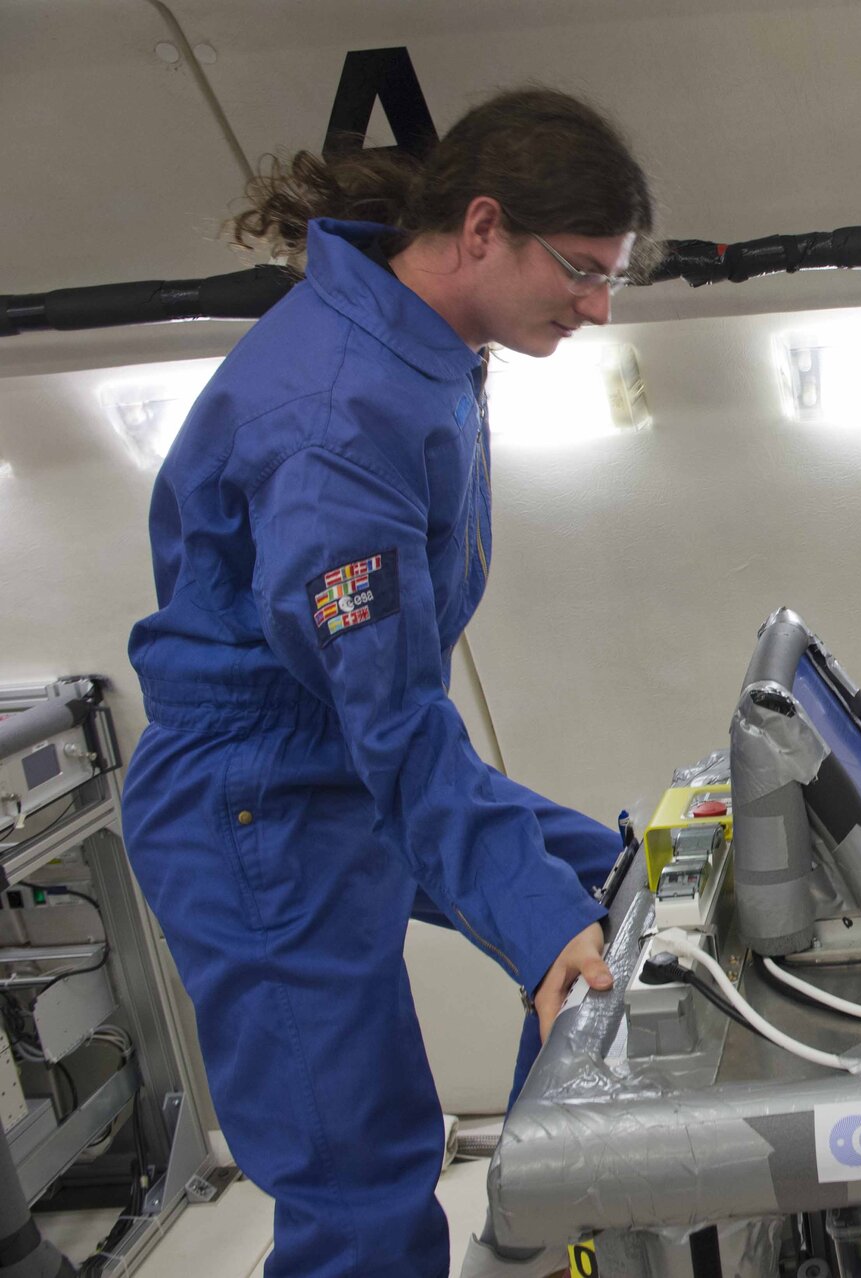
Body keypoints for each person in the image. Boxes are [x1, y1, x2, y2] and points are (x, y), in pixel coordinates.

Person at [121, 89, 656, 1278]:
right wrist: (529, 922)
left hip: (341, 754)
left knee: (619, 894)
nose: (598, 305)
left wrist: (544, 920)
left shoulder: (423, 334)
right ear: (480, 229)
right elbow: (394, 721)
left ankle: (538, 1212)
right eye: (579, 270)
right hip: (258, 799)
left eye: (615, 276)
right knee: (360, 1180)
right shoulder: (334, 422)